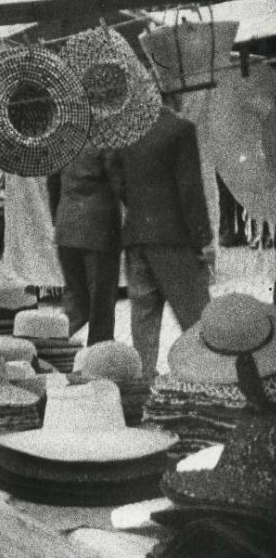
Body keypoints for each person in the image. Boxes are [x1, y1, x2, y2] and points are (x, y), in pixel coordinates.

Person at [109, 103, 213, 378]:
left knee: (143, 317)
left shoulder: (126, 131)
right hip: (174, 238)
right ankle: (207, 379)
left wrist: (140, 211)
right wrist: (203, 240)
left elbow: (117, 181)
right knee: (197, 319)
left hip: (136, 236)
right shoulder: (180, 129)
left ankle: (143, 385)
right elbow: (190, 190)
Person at [47, 147, 122, 346]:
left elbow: (52, 183)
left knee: (76, 300)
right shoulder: (105, 143)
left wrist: (59, 218)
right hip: (99, 229)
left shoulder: (64, 143)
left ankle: (49, 343)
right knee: (101, 303)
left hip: (66, 227)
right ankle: (99, 359)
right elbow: (119, 183)